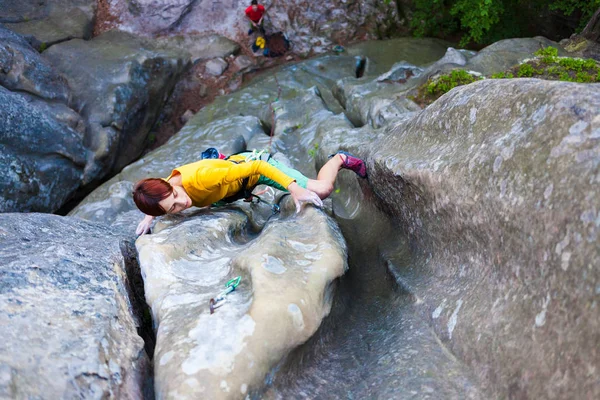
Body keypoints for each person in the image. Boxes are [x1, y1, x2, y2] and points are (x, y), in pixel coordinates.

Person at [133, 150, 367, 235]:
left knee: (322, 190)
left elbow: (258, 167)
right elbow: (157, 196)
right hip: (231, 187)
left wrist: (294, 188)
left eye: (175, 196)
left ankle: (339, 159)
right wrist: (149, 216)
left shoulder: (203, 178)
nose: (182, 202)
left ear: (171, 188)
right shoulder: (163, 189)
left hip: (255, 169)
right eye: (171, 208)